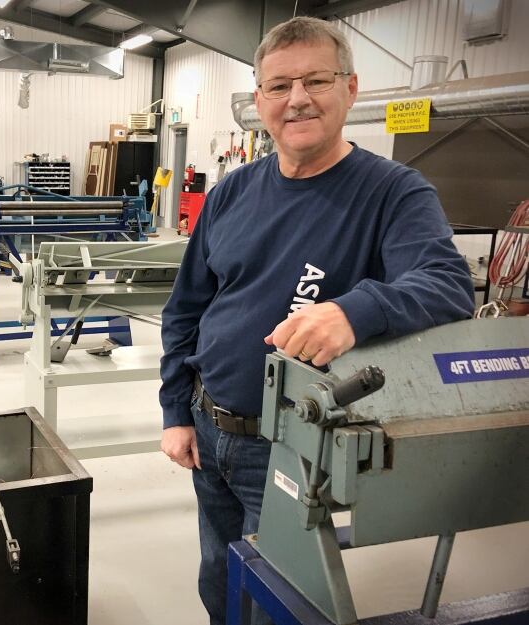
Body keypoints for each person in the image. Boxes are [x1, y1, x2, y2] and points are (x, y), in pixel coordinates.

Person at [159, 16, 474, 625]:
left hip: (286, 448)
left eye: (316, 81)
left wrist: (356, 310)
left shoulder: (394, 193)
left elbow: (448, 283)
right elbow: (187, 307)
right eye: (279, 87)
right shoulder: (232, 191)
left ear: (350, 88)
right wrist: (177, 411)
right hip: (208, 422)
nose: (297, 99)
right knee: (217, 574)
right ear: (260, 102)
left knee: (272, 595)